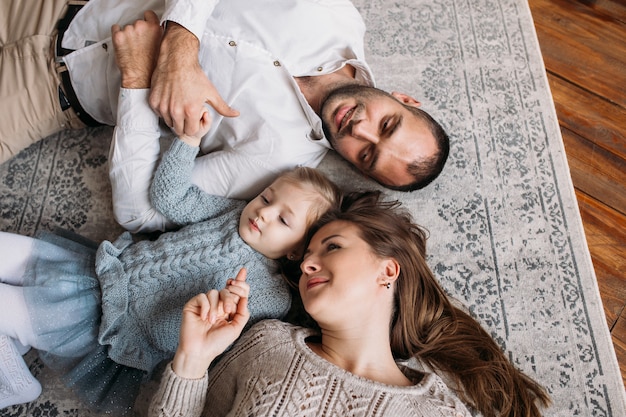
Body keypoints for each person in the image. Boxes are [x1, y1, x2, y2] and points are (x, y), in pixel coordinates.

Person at [1, 0, 450, 233]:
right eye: (387, 123)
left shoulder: (277, 162)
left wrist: (137, 79)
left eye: (367, 154)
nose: (361, 130)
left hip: (45, 93)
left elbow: (141, 213)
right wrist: (181, 46)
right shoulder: (337, 15)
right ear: (405, 99)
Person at [0, 142, 341, 415]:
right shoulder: (233, 213)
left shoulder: (271, 295)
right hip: (96, 272)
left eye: (283, 220)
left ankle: (17, 383)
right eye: (267, 197)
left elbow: (222, 347)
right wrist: (188, 141)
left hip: (110, 327)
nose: (264, 212)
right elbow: (170, 198)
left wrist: (229, 307)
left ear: (297, 251)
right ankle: (15, 342)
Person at [148, 191, 551, 417]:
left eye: (333, 247)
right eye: (307, 256)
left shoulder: (439, 412)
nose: (307, 263)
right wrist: (192, 362)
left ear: (388, 271)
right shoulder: (267, 343)